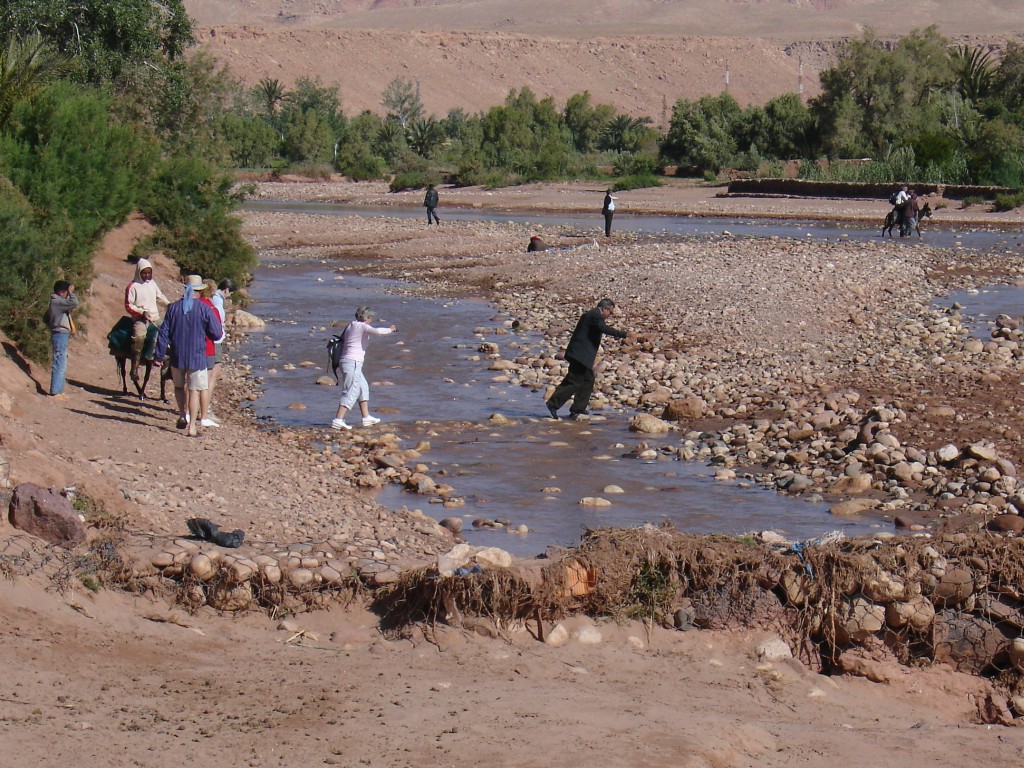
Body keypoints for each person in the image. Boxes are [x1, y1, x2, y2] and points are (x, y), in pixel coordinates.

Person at [154, 274, 223, 437]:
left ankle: (181, 414)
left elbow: (164, 333)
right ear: (199, 291)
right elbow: (217, 333)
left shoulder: (173, 308)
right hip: (197, 356)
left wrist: (159, 355)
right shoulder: (204, 309)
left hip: (177, 355)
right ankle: (192, 427)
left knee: (179, 387)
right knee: (194, 391)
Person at [545, 298, 633, 420]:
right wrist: (623, 334)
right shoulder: (595, 315)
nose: (610, 315)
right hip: (579, 354)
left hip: (580, 354)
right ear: (604, 308)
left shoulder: (593, 314)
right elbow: (603, 328)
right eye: (610, 312)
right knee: (574, 381)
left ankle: (578, 408)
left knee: (588, 380)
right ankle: (553, 404)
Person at [331, 306, 396, 431]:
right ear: (366, 317)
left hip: (347, 362)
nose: (371, 319)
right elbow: (377, 332)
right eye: (370, 317)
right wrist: (390, 329)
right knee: (351, 390)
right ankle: (338, 420)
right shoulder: (362, 326)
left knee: (362, 387)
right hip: (353, 363)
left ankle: (366, 417)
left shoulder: (351, 326)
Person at [124, 257, 169, 385]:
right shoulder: (132, 286)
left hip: (155, 317)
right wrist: (141, 313)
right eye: (144, 273)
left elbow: (160, 297)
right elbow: (129, 305)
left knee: (166, 333)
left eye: (149, 273)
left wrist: (168, 304)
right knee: (139, 337)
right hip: (141, 319)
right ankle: (135, 366)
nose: (147, 275)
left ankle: (160, 359)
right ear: (139, 272)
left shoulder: (152, 283)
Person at [205, 277, 234, 425]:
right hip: (215, 342)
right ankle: (205, 411)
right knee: (211, 378)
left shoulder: (215, 300)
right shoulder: (217, 302)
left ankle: (203, 409)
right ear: (226, 290)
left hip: (213, 341)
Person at [45, 280, 78, 398]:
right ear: (61, 292)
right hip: (59, 333)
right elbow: (74, 303)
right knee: (59, 362)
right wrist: (72, 293)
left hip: (59, 333)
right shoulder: (57, 302)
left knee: (61, 362)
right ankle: (55, 391)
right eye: (66, 292)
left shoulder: (56, 302)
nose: (67, 295)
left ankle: (59, 390)